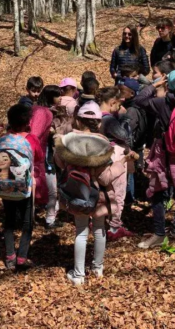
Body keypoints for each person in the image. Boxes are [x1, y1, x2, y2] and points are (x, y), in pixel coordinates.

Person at [54, 102, 126, 285]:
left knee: (81, 231)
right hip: (99, 196)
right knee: (100, 229)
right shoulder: (102, 145)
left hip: (77, 192)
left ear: (78, 120)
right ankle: (97, 268)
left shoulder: (68, 140)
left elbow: (61, 164)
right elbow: (104, 178)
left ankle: (78, 274)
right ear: (99, 123)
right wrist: (120, 164)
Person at [134, 70, 175, 249]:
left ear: (168, 84)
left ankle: (159, 233)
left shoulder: (162, 102)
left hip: (164, 156)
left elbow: (139, 100)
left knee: (158, 194)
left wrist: (153, 85)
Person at [0, 104, 38, 271]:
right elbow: (39, 157)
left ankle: (9, 257)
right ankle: (22, 257)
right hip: (25, 187)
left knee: (8, 220)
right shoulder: (31, 139)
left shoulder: (3, 139)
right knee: (27, 221)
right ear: (28, 121)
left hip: (5, 185)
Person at [97, 88, 135, 241]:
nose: (119, 108)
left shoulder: (93, 114)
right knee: (118, 191)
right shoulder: (109, 119)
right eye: (118, 106)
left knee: (104, 189)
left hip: (101, 154)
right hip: (115, 155)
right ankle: (114, 226)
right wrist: (124, 118)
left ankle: (100, 219)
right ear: (112, 103)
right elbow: (125, 136)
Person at [30, 85, 62, 229]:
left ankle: (30, 218)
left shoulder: (36, 108)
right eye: (58, 96)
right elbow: (35, 134)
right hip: (41, 155)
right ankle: (50, 219)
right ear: (51, 97)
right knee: (51, 188)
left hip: (37, 154)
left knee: (33, 187)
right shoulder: (44, 112)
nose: (61, 98)